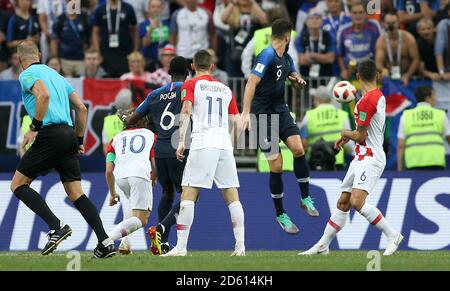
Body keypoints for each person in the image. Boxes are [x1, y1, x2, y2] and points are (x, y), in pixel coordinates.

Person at [10, 40, 115, 258]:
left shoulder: (27, 74)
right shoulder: (57, 76)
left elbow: (44, 95)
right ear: (39, 54)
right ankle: (105, 241)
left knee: (18, 185)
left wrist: (34, 128)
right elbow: (82, 108)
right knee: (76, 193)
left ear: (20, 59)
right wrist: (78, 140)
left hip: (49, 134)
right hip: (68, 134)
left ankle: (56, 227)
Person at [300, 59, 403, 256]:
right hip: (361, 156)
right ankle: (323, 245)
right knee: (343, 202)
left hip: (370, 157)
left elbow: (360, 135)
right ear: (378, 76)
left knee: (357, 202)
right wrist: (347, 137)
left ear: (357, 77)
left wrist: (345, 133)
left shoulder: (368, 101)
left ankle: (392, 235)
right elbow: (364, 131)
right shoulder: (374, 96)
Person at [163, 50, 245, 257]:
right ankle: (240, 247)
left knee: (188, 193)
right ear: (212, 66)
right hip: (223, 144)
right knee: (232, 196)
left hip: (202, 142)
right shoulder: (225, 89)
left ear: (192, 66)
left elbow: (186, 110)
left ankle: (181, 247)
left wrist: (181, 141)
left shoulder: (191, 85)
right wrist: (230, 144)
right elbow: (239, 122)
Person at [242, 19, 316, 236]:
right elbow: (251, 83)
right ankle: (281, 214)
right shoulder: (266, 55)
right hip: (261, 115)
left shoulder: (287, 57)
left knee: (299, 149)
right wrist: (245, 113)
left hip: (280, 110)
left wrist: (297, 80)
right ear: (288, 36)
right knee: (277, 166)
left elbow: (292, 75)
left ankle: (305, 198)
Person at [123, 56, 189, 255]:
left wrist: (125, 117)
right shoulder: (188, 90)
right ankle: (160, 230)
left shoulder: (154, 94)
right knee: (189, 196)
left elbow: (132, 119)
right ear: (188, 73)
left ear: (169, 73)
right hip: (180, 148)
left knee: (167, 193)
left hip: (159, 150)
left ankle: (164, 243)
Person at [105, 112, 157, 253]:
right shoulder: (150, 135)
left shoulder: (116, 138)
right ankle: (106, 239)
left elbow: (109, 170)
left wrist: (112, 193)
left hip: (121, 178)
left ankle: (125, 244)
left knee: (131, 205)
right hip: (140, 174)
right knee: (142, 219)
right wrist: (154, 177)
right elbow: (154, 161)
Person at [397, 86, 450, 171]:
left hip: (413, 163)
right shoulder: (440, 114)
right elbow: (449, 138)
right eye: (434, 95)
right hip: (436, 162)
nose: (435, 98)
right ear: (428, 98)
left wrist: (399, 169)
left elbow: (400, 145)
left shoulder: (406, 116)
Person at [299, 86, 351, 170]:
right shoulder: (342, 115)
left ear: (317, 99)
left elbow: (302, 140)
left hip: (315, 161)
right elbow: (349, 143)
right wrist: (353, 153)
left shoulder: (309, 115)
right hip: (336, 162)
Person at [375, 12, 419, 87]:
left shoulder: (408, 38)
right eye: (388, 23)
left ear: (398, 23)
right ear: (383, 24)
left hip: (406, 76)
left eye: (393, 23)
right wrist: (383, 70)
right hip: (389, 77)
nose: (391, 25)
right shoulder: (381, 41)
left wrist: (408, 75)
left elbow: (416, 59)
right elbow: (378, 63)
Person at [102, 88, 133, 154]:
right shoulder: (135, 119)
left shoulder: (108, 120)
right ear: (131, 104)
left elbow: (106, 148)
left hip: (114, 159)